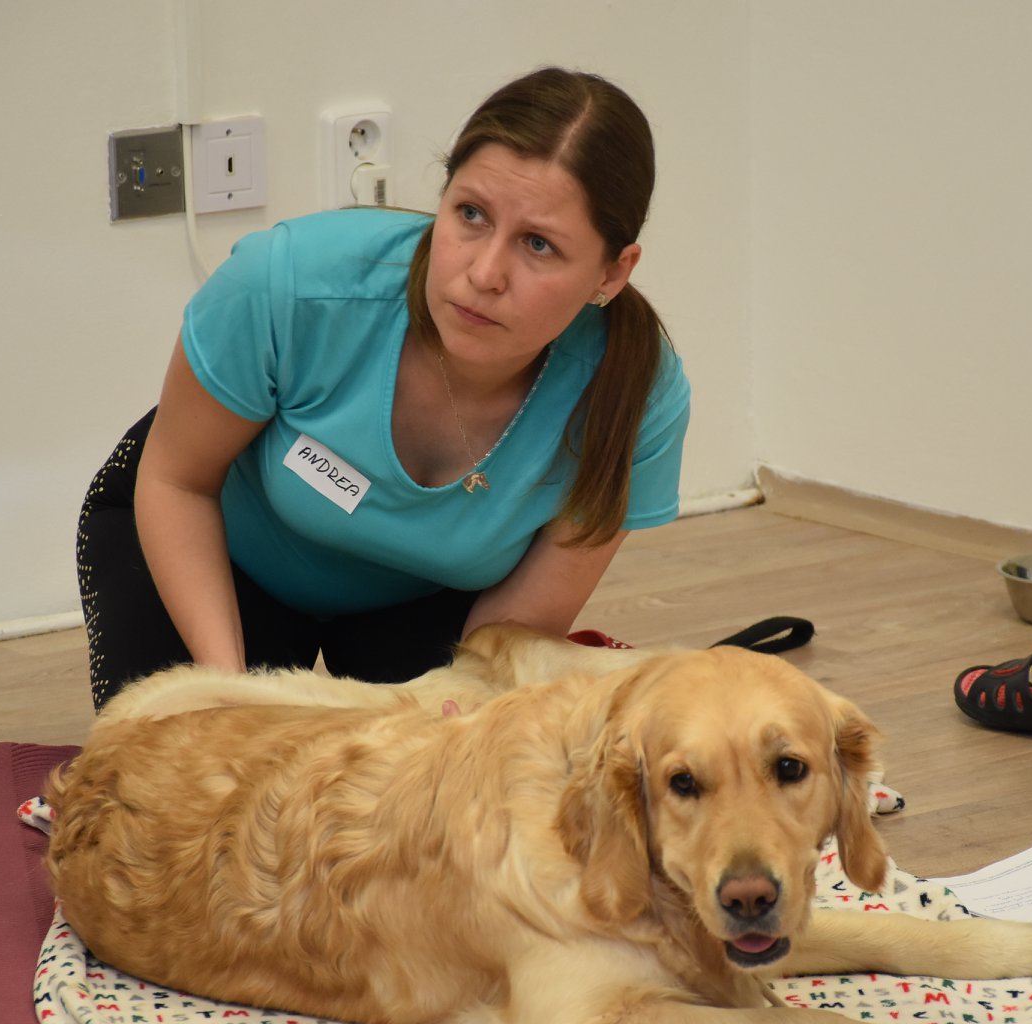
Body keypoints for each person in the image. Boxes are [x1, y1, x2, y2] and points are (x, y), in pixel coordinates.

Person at [76, 67, 690, 710]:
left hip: (421, 603)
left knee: (430, 791)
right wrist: (231, 701)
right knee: (187, 789)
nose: (484, 273)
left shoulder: (636, 396)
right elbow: (178, 483)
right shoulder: (287, 282)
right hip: (213, 552)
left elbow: (513, 632)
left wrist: (453, 724)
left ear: (613, 273)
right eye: (471, 214)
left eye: (538, 244)